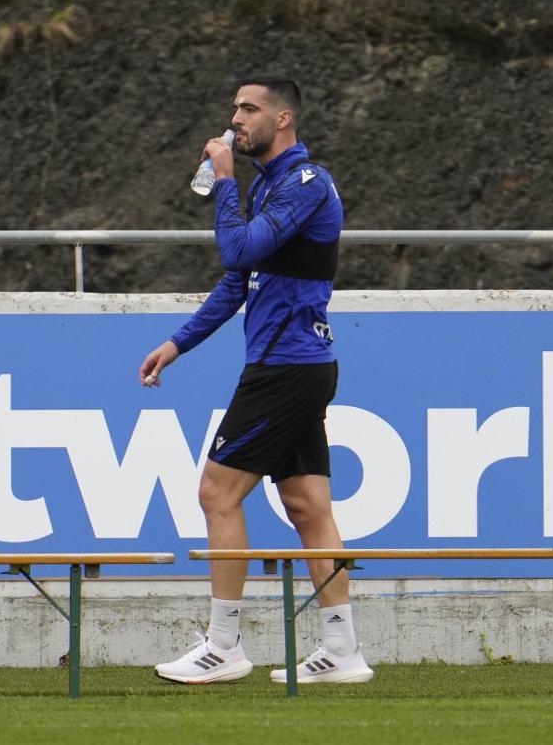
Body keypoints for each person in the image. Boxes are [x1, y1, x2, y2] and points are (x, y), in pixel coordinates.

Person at [140, 75, 373, 685]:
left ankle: (223, 645)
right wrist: (177, 343)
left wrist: (223, 181)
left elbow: (238, 253)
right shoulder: (273, 185)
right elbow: (238, 284)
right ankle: (344, 650)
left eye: (249, 109)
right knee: (307, 505)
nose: (235, 119)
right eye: (234, 109)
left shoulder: (304, 182)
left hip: (286, 369)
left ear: (284, 118)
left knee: (216, 494)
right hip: (295, 365)